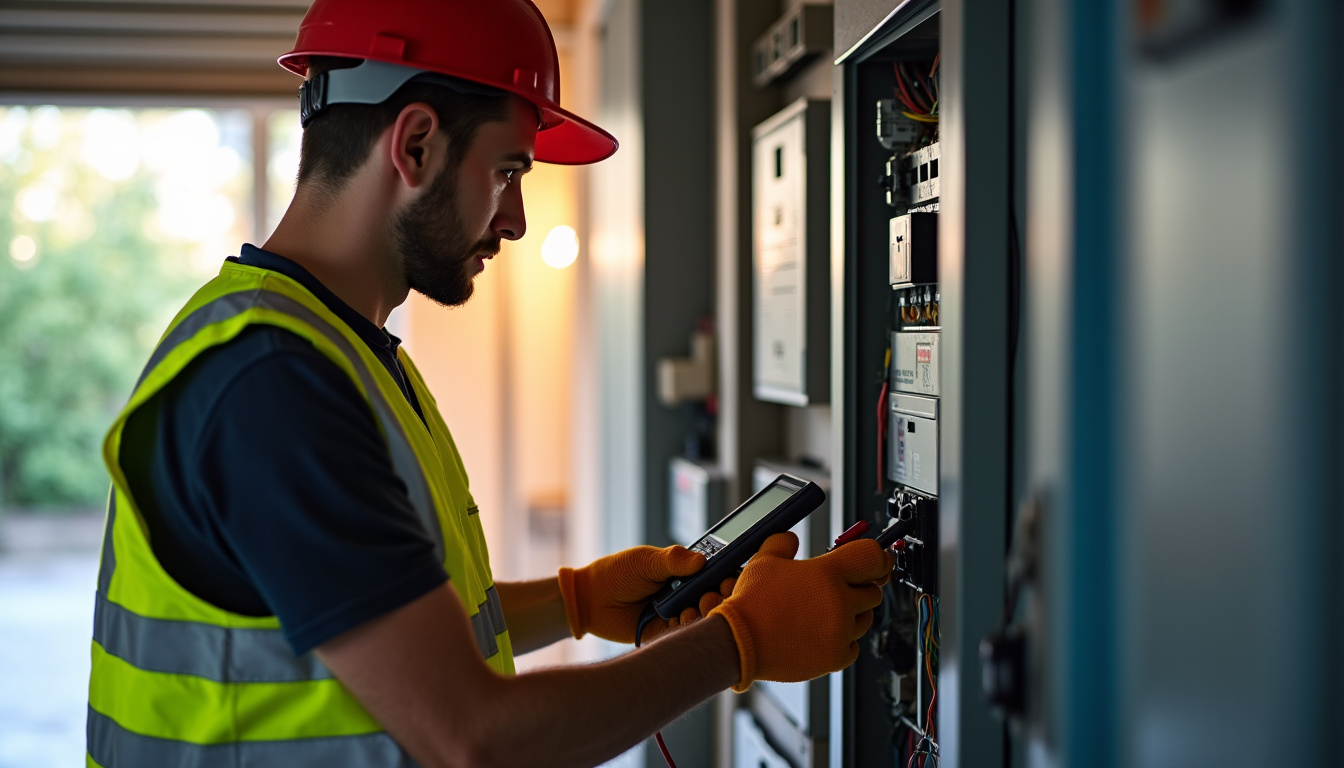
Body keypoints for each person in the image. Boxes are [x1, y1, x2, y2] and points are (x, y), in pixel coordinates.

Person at [86, 1, 892, 766]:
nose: (516, 220)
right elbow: (474, 740)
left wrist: (572, 602)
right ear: (415, 146)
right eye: (509, 171)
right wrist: (738, 644)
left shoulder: (332, 352)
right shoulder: (272, 384)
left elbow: (380, 629)